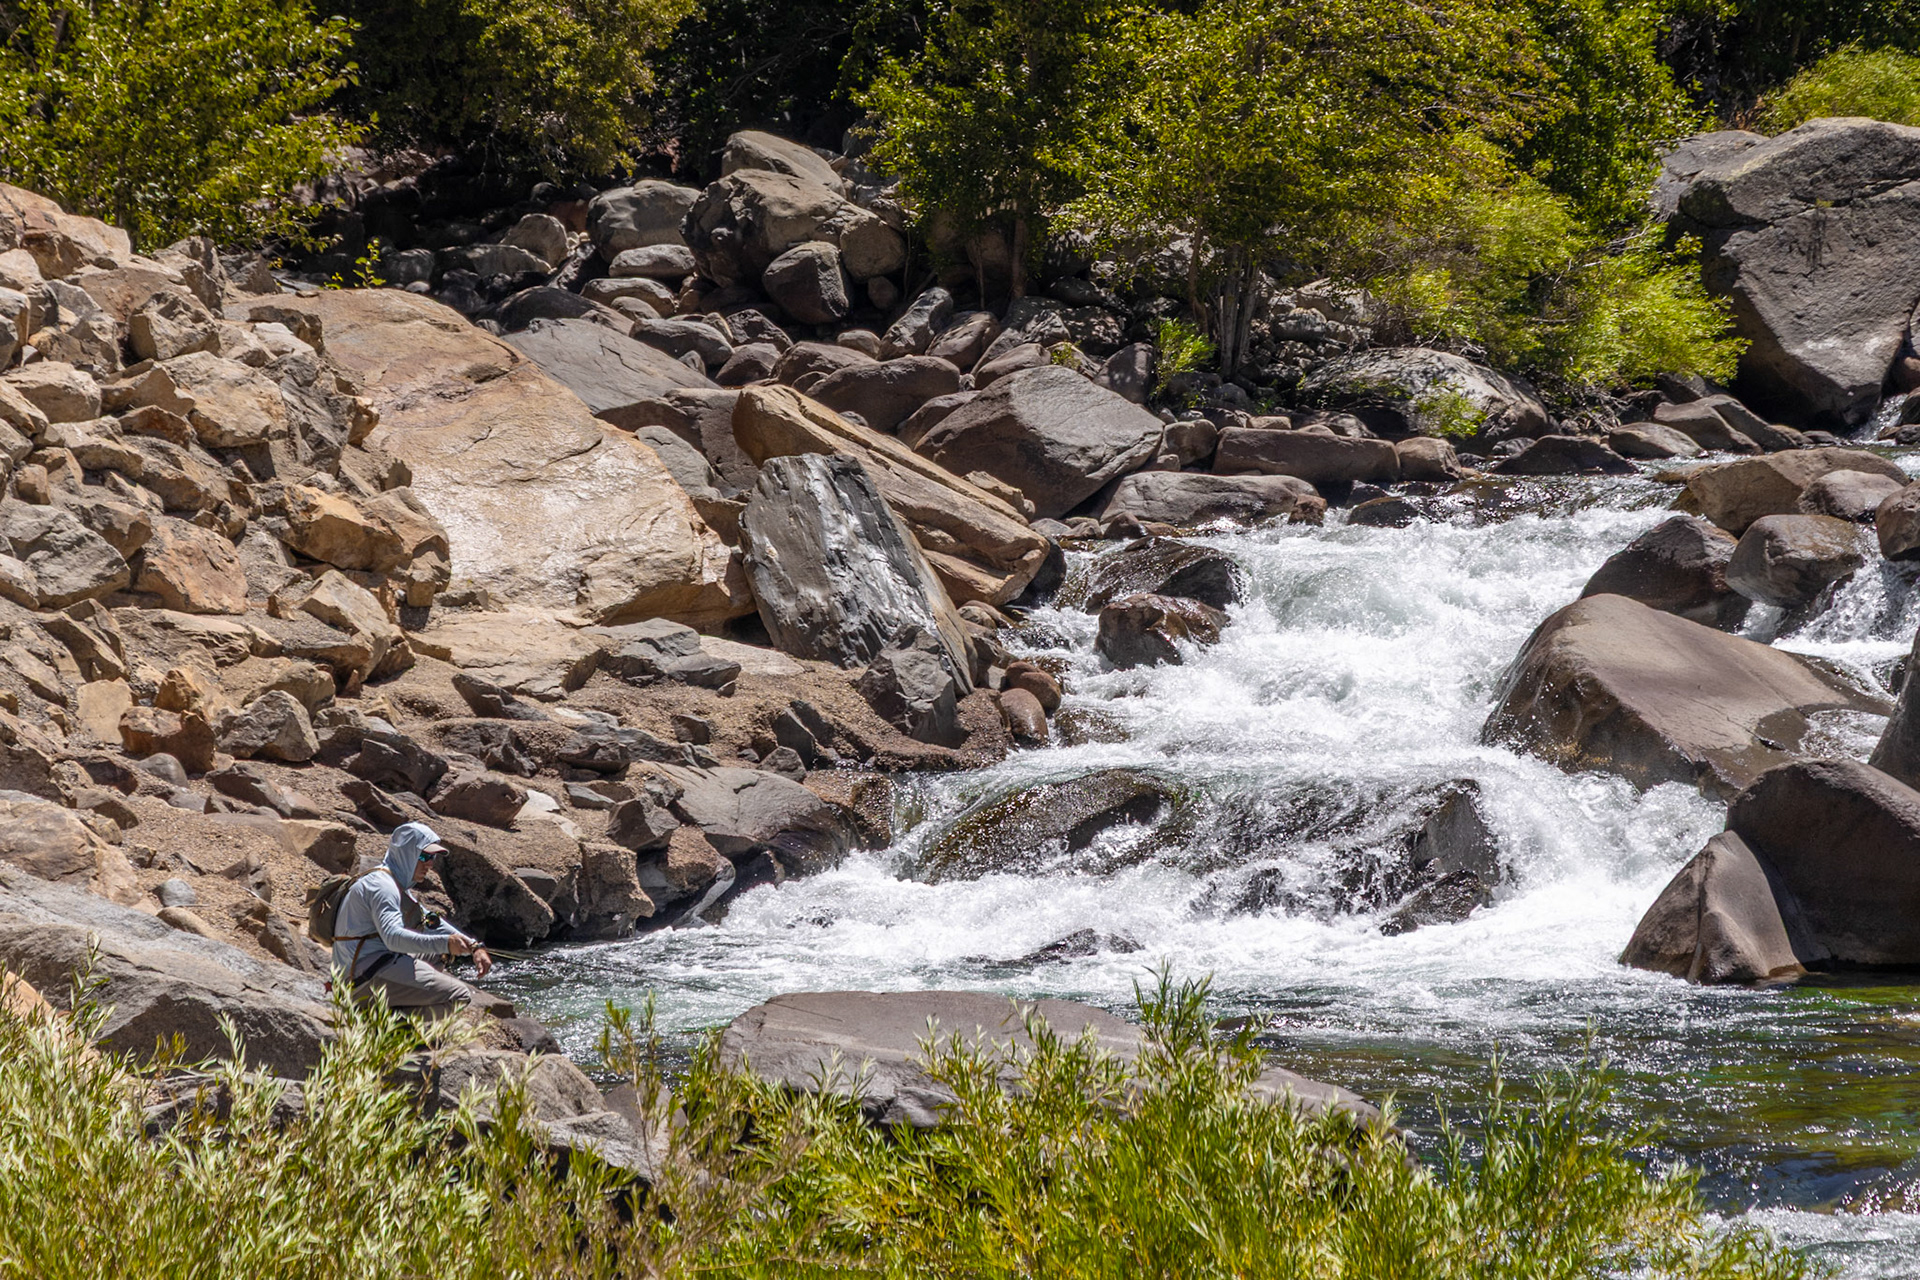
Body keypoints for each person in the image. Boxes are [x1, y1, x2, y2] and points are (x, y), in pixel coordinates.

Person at [331, 821, 491, 1019]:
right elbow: (393, 938)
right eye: (424, 856)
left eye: (432, 857)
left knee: (438, 954)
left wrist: (475, 947)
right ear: (406, 853)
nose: (430, 864)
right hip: (362, 977)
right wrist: (445, 943)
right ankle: (394, 1029)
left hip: (373, 964)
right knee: (458, 996)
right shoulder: (382, 887)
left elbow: (431, 922)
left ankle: (393, 1009)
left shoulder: (392, 882)